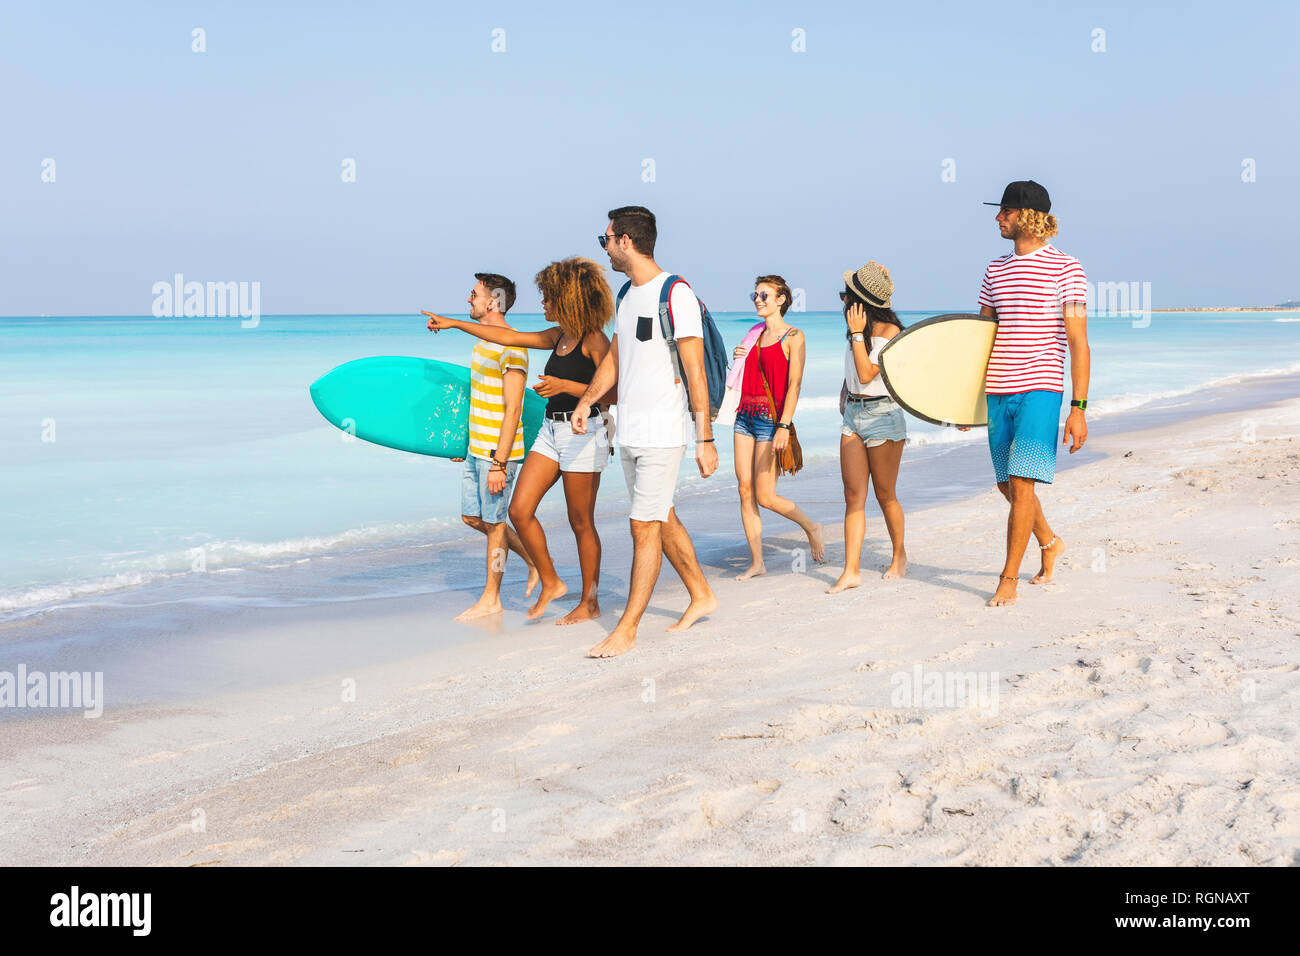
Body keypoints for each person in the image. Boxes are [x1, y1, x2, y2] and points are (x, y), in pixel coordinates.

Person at [424, 258, 615, 624]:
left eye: (548, 297)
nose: (542, 303)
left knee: (581, 522)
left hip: (584, 433)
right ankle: (551, 580)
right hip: (550, 430)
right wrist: (454, 325)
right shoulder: (557, 335)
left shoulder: (594, 339)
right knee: (519, 511)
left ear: (567, 298)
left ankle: (590, 601)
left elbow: (615, 393)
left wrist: (565, 387)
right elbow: (507, 336)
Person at [571, 206, 718, 657]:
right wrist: (586, 400)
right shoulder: (626, 294)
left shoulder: (676, 294)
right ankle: (701, 594)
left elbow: (696, 372)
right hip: (630, 431)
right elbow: (616, 356)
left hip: (663, 432)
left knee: (643, 526)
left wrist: (705, 439)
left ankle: (627, 629)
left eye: (607, 239)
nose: (605, 247)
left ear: (626, 242)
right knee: (661, 517)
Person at [974, 180, 1090, 607]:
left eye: (1004, 211)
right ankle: (1050, 541)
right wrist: (960, 399)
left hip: (1041, 388)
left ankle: (1009, 579)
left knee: (1022, 487)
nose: (997, 219)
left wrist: (1078, 408)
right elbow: (980, 337)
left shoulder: (1067, 269)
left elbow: (1078, 342)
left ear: (1025, 215)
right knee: (1007, 485)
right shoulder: (994, 270)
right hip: (997, 389)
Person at [426, 273, 538, 621]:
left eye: (473, 294)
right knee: (474, 518)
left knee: (495, 524)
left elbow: (514, 408)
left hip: (497, 454)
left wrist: (499, 463)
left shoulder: (513, 346)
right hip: (477, 448)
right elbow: (480, 401)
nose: (468, 300)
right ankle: (535, 560)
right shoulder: (482, 344)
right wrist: (466, 443)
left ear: (492, 301)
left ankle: (492, 598)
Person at [729, 275, 824, 580]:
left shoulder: (794, 336)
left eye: (764, 295)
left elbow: (795, 384)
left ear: (782, 299)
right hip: (743, 415)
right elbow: (741, 374)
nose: (758, 300)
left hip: (770, 420)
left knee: (765, 496)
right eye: (755, 295)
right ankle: (757, 562)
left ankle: (811, 526)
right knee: (745, 491)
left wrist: (784, 425)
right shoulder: (753, 334)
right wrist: (738, 357)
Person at [826, 261, 908, 593]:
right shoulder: (855, 331)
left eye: (847, 295)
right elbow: (854, 377)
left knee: (885, 494)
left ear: (861, 302)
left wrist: (858, 333)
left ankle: (899, 555)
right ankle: (851, 570)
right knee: (853, 496)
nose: (843, 300)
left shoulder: (891, 333)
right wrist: (845, 393)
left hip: (883, 417)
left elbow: (866, 373)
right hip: (854, 417)